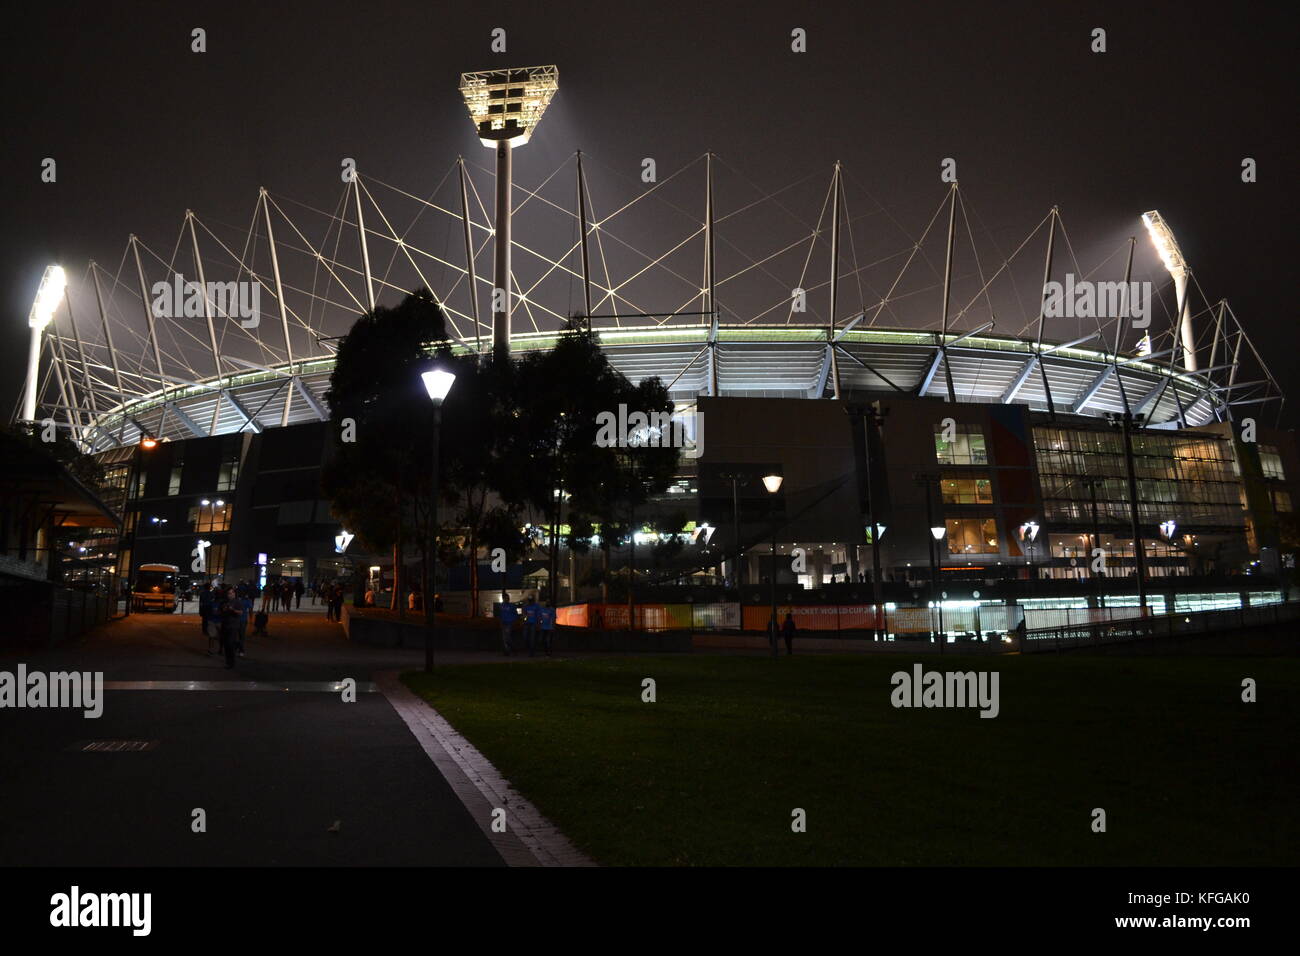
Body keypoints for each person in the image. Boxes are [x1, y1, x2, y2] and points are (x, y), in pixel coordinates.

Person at [217, 587, 241, 669]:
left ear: (234, 594)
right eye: (228, 593)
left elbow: (240, 612)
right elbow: (218, 612)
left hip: (233, 626)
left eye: (231, 593)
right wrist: (222, 610)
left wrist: (232, 610)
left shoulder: (237, 602)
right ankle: (228, 662)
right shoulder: (224, 602)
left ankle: (232, 662)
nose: (230, 595)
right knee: (226, 645)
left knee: (230, 644)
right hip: (225, 625)